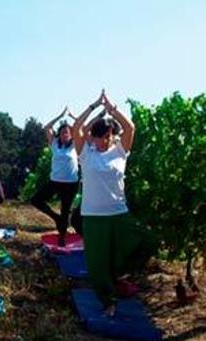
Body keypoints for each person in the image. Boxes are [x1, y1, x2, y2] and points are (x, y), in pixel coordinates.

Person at [72, 90, 156, 316]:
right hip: (93, 216)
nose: (105, 140)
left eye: (109, 136)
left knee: (147, 240)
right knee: (97, 264)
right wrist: (93, 107)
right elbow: (75, 129)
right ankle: (108, 300)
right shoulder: (85, 153)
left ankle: (119, 273)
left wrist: (111, 108)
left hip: (119, 213)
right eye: (101, 136)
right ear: (93, 136)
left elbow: (130, 128)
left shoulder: (120, 151)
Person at [31, 106, 80, 246]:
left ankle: (62, 238)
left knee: (66, 210)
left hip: (71, 183)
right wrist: (59, 116)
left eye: (68, 132)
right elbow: (47, 127)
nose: (65, 134)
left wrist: (73, 117)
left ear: (71, 135)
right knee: (36, 200)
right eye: (63, 132)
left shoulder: (75, 145)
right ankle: (55, 217)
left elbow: (82, 127)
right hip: (55, 181)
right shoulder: (54, 144)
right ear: (59, 134)